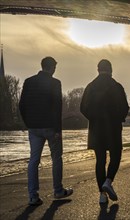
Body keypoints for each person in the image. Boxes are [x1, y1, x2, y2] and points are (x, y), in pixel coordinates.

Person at [19, 57, 73, 206]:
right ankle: (58, 190)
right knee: (56, 158)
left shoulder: (28, 82)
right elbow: (57, 107)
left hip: (34, 128)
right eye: (55, 67)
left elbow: (22, 104)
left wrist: (27, 123)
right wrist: (58, 130)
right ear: (52, 67)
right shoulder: (55, 83)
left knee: (34, 160)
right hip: (50, 126)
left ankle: (32, 196)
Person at [80, 59, 129, 204]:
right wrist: (118, 118)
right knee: (116, 156)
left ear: (98, 69)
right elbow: (125, 108)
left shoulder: (90, 86)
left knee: (100, 161)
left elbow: (83, 108)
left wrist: (94, 118)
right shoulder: (116, 86)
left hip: (96, 129)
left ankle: (102, 195)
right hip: (113, 128)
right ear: (111, 70)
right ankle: (108, 181)